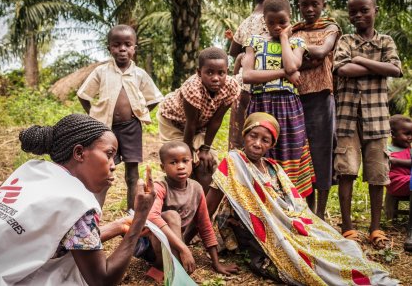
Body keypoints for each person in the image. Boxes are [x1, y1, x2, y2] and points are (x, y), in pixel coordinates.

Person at [0, 114, 156, 285]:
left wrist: (119, 226)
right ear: (79, 153)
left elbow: (65, 238)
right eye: (109, 155)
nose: (113, 166)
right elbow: (102, 279)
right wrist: (139, 219)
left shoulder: (31, 172)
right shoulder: (76, 201)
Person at [207, 112, 398, 285]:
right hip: (255, 234)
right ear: (244, 135)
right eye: (253, 136)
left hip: (286, 226)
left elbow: (295, 206)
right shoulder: (233, 162)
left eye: (265, 140)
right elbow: (207, 208)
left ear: (272, 145)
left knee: (337, 245)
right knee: (298, 261)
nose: (257, 143)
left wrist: (297, 225)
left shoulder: (274, 168)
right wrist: (194, 245)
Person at [333, 0, 402, 248]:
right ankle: (347, 226)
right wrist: (376, 67)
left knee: (377, 173)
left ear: (375, 10)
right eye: (353, 12)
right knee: (347, 171)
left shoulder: (385, 41)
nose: (358, 15)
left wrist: (360, 59)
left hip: (377, 118)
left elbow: (394, 68)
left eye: (364, 10)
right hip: (347, 118)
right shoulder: (345, 40)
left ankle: (375, 227)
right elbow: (342, 68)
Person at [77, 24, 163, 209]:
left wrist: (140, 111)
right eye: (116, 45)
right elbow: (84, 94)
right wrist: (94, 116)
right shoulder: (102, 71)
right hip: (107, 131)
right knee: (103, 171)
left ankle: (131, 214)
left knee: (132, 174)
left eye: (127, 44)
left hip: (132, 128)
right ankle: (95, 212)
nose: (122, 49)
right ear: (109, 48)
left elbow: (154, 97)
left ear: (134, 48)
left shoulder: (139, 74)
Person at [241, 0, 314, 197]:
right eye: (271, 22)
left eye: (282, 22)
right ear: (264, 20)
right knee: (260, 148)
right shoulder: (254, 42)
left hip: (288, 106)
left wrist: (284, 38)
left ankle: (291, 203)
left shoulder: (297, 42)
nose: (277, 26)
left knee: (289, 150)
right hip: (261, 104)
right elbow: (248, 75)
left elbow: (293, 65)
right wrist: (284, 74)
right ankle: (262, 199)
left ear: (290, 18)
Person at [138, 141, 239, 279]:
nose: (180, 166)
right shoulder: (161, 187)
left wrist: (216, 264)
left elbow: (205, 225)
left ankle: (173, 264)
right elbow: (152, 217)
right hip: (152, 246)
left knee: (188, 222)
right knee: (172, 216)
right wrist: (183, 248)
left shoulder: (196, 188)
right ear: (163, 167)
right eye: (173, 163)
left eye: (185, 161)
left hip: (176, 243)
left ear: (193, 162)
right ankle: (162, 265)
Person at [157, 47, 240, 192]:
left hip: (201, 124)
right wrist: (187, 155)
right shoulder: (193, 88)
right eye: (209, 72)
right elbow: (191, 124)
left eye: (221, 73)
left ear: (227, 71)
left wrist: (205, 149)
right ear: (198, 72)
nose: (215, 78)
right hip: (173, 121)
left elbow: (216, 120)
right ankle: (175, 197)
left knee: (206, 163)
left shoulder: (231, 87)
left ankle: (204, 210)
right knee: (180, 161)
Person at [291, 0, 341, 219]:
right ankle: (308, 210)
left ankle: (321, 212)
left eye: (315, 4)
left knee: (322, 152)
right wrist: (306, 60)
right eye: (304, 5)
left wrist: (300, 52)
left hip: (322, 98)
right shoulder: (293, 30)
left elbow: (322, 51)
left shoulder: (330, 28)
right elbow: (287, 62)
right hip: (296, 99)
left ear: (323, 4)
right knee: (304, 153)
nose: (309, 9)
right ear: (298, 6)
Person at [227, 0, 282, 150]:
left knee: (240, 135)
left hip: (242, 84)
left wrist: (244, 56)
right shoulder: (273, 20)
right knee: (261, 132)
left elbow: (233, 50)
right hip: (262, 86)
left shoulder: (247, 21)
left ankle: (236, 170)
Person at [387, 115, 412, 252]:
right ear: (393, 134)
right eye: (406, 134)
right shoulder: (388, 149)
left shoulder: (410, 149)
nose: (410, 137)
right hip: (395, 183)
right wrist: (393, 161)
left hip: (408, 181)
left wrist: (395, 161)